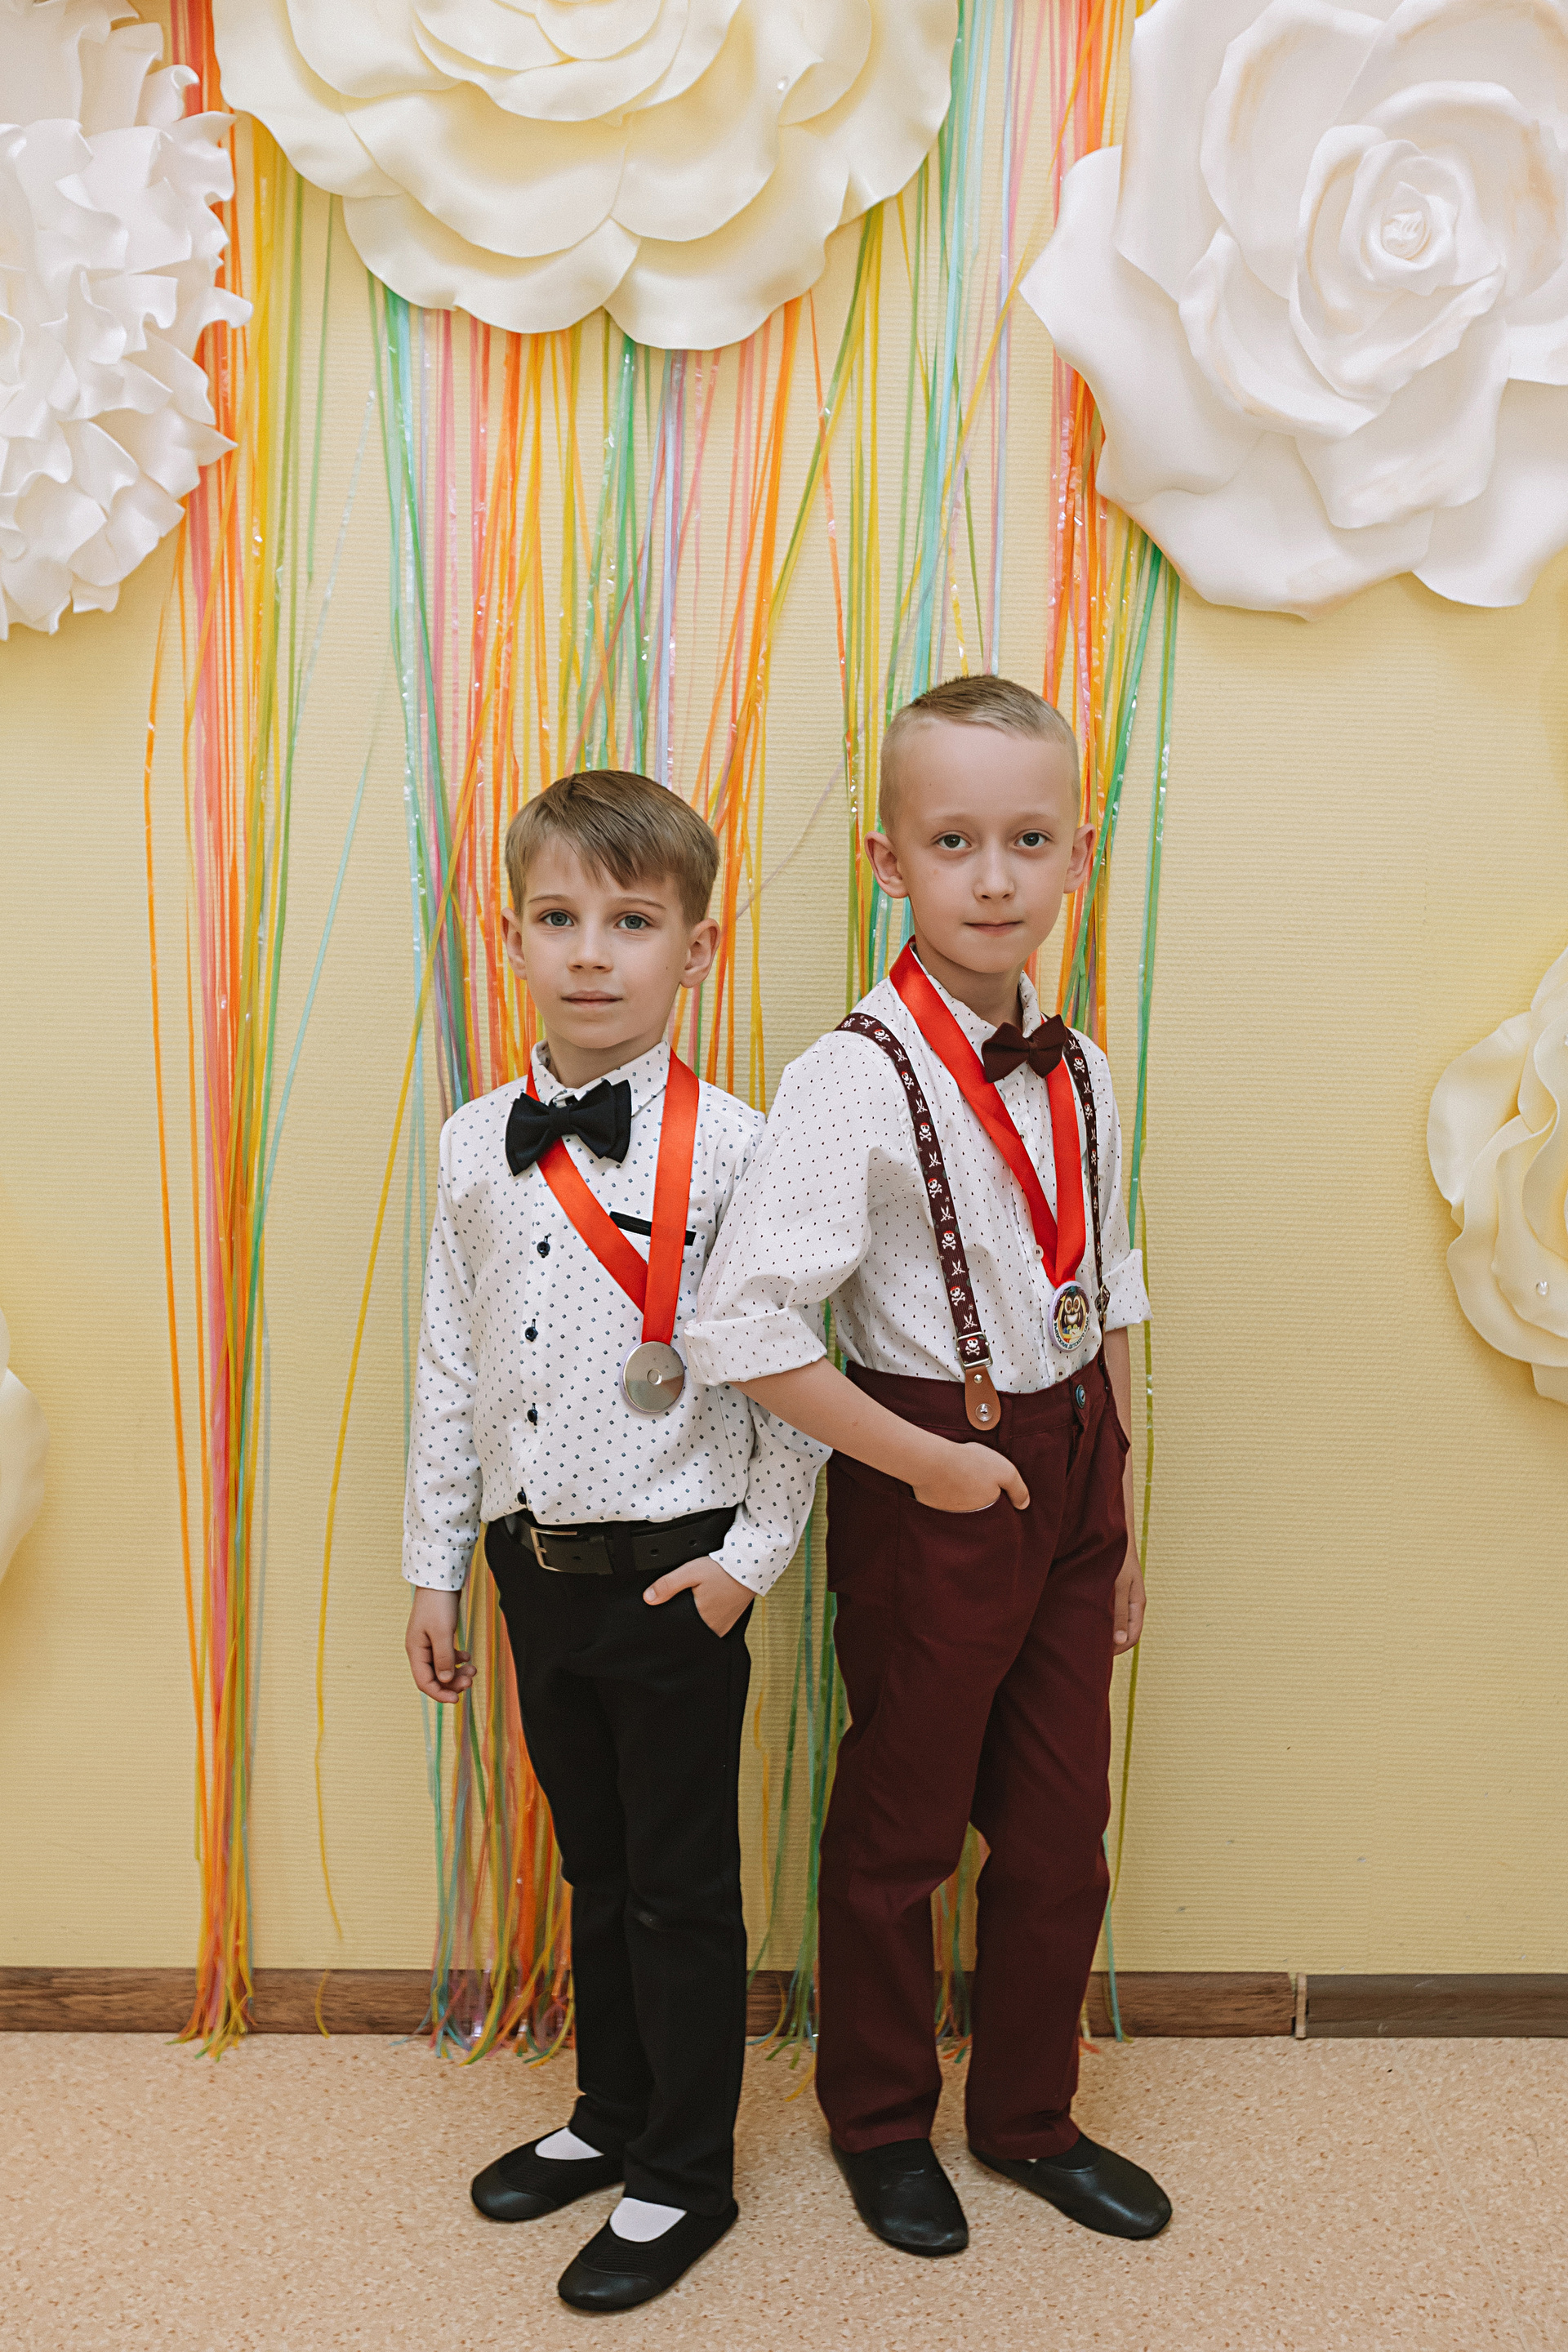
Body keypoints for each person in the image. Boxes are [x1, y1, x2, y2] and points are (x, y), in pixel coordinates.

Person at [686, 674, 1172, 2258]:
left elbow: (1107, 1294)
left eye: (1030, 839)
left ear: (1080, 853)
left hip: (1074, 1466)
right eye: (953, 841)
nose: (995, 877)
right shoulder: (852, 1076)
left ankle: (1029, 2116)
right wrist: (931, 1469)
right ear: (888, 861)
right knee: (902, 1828)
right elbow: (739, 1327)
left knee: (1060, 1829)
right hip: (934, 1475)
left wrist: (1119, 1518)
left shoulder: (1081, 1067)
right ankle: (881, 2119)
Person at [402, 769, 826, 2314]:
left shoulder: (744, 1150)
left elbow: (795, 1376)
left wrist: (748, 1565)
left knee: (680, 1883)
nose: (591, 952)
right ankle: (613, 2112)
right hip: (531, 1566)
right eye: (558, 917)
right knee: (595, 1863)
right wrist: (436, 1564)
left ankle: (686, 2173)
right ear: (510, 935)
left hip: (676, 1571)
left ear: (695, 949)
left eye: (632, 921)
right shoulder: (473, 1143)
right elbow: (448, 1359)